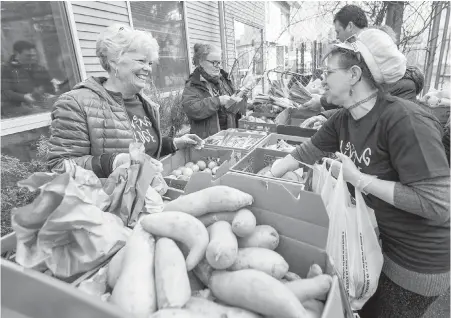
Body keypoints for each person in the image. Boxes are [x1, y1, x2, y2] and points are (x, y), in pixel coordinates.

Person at [266, 29, 450, 318]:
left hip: (415, 262)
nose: (322, 79)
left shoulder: (405, 120)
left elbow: (438, 205)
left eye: (328, 71)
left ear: (353, 75)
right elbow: (304, 153)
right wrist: (263, 178)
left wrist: (360, 179)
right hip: (376, 243)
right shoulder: (344, 117)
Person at [47, 24, 202, 178]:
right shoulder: (75, 103)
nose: (148, 69)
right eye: (141, 61)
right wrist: (115, 162)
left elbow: (145, 149)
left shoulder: (144, 103)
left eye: (150, 63)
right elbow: (60, 166)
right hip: (109, 199)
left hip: (145, 195)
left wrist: (174, 143)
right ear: (114, 61)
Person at [182, 43, 248, 139]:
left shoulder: (224, 80)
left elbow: (234, 109)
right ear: (201, 61)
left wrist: (241, 95)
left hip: (230, 136)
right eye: (214, 62)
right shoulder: (193, 84)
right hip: (209, 140)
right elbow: (192, 109)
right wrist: (218, 101)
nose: (218, 66)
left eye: (219, 62)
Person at [1, 40, 53, 117]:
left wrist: (48, 89)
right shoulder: (6, 69)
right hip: (14, 109)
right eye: (28, 56)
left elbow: (50, 87)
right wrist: (23, 97)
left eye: (34, 55)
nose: (33, 58)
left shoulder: (39, 68)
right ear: (17, 54)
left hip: (39, 105)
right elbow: (5, 93)